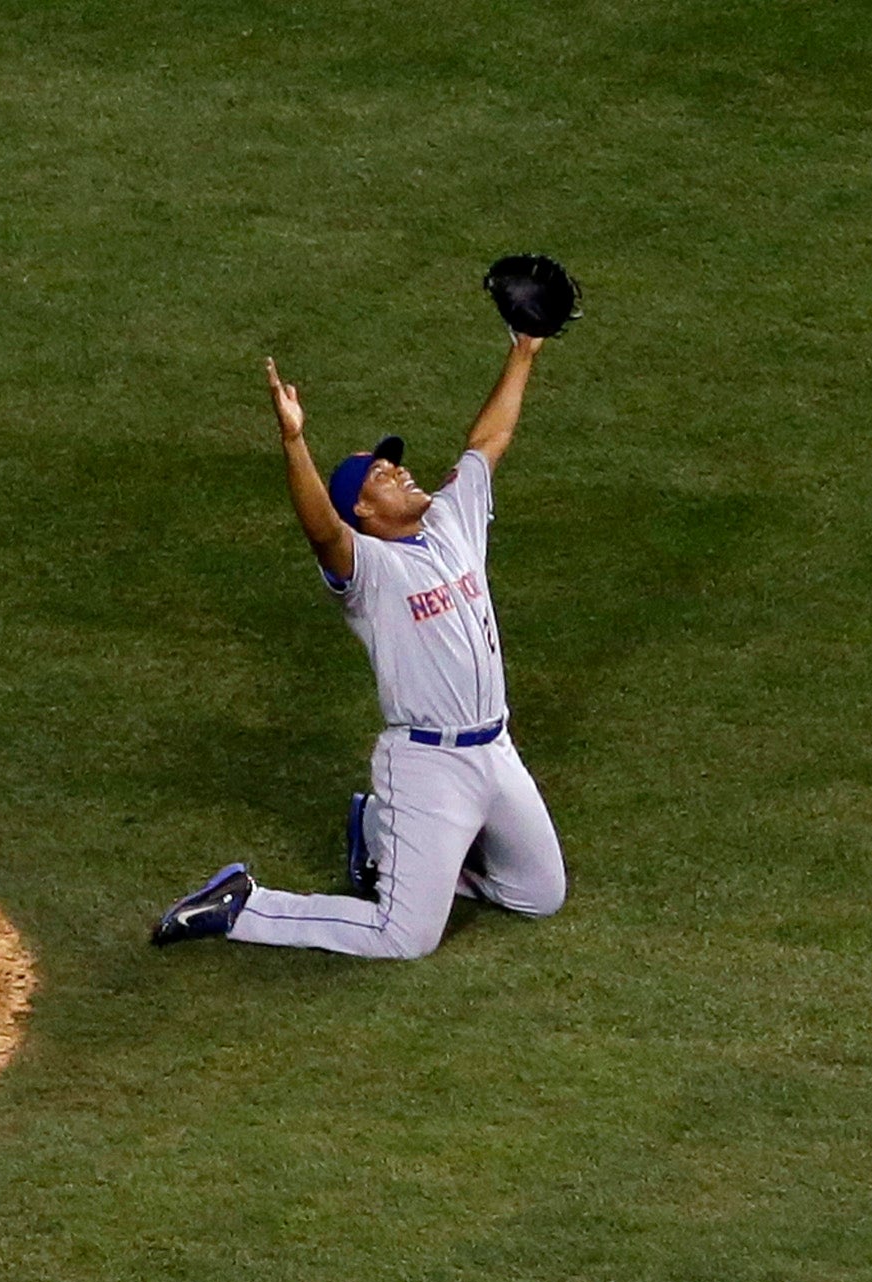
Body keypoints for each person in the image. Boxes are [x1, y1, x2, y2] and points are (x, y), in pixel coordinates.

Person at [149, 336, 567, 958]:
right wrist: (294, 441)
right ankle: (246, 906)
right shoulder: (368, 571)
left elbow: (486, 442)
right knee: (405, 937)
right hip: (428, 765)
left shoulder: (453, 520)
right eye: (382, 474)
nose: (401, 470)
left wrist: (524, 352)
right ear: (363, 509)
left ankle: (378, 833)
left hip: (497, 750)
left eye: (394, 464)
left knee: (539, 893)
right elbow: (320, 529)